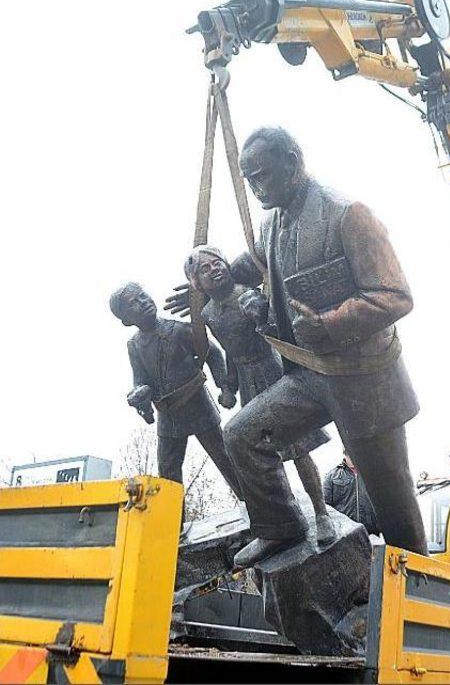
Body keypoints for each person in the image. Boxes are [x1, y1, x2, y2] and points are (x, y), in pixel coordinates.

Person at [214, 126, 426, 567]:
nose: (255, 189)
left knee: (394, 508)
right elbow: (247, 267)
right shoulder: (273, 224)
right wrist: (206, 276)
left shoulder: (347, 214)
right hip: (308, 376)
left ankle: (420, 598)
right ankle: (281, 526)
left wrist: (330, 324)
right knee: (240, 436)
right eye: (248, 179)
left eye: (263, 176)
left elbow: (395, 296)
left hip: (363, 382)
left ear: (293, 162)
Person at [182, 244, 336, 545]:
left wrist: (263, 318)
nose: (215, 268)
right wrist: (228, 386)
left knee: (297, 448)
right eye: (205, 268)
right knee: (262, 453)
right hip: (247, 380)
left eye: (217, 262)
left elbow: (279, 329)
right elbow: (228, 351)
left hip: (273, 370)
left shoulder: (247, 294)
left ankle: (321, 513)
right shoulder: (208, 313)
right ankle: (288, 516)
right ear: (196, 284)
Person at [110, 282, 243, 500]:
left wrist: (225, 387)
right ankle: (173, 527)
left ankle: (256, 510)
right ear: (126, 320)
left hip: (198, 406)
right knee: (168, 473)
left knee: (225, 458)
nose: (143, 302)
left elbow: (213, 353)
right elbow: (141, 379)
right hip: (168, 415)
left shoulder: (178, 330)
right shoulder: (134, 345)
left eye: (143, 295)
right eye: (134, 303)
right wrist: (139, 393)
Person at [323, 453, 380, 536]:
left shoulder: (374, 475)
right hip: (344, 532)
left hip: (372, 532)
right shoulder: (331, 476)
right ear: (344, 453)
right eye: (349, 454)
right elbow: (325, 506)